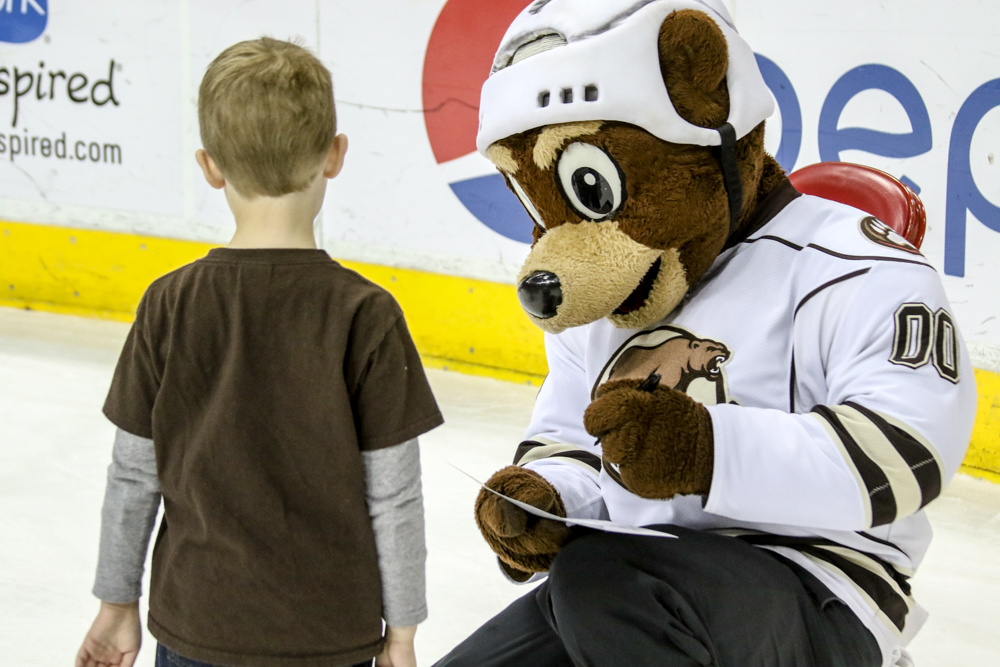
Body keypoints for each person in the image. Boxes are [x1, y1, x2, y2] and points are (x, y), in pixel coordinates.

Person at [74, 37, 443, 667]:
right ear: (334, 155)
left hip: (197, 626)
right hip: (331, 635)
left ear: (210, 166)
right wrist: (403, 633)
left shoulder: (168, 303)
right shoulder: (367, 313)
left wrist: (116, 606)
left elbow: (133, 476)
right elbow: (394, 495)